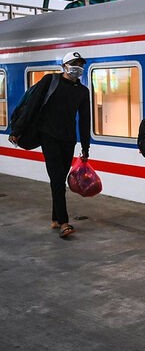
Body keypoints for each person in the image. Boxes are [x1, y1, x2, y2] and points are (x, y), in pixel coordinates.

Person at [9, 51, 91, 239]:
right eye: (74, 63)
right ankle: (63, 222)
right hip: (48, 136)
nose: (78, 67)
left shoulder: (82, 91)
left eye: (80, 64)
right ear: (64, 66)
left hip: (68, 139)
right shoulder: (50, 81)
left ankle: (55, 218)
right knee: (56, 178)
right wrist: (16, 130)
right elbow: (32, 106)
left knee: (60, 178)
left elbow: (85, 120)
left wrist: (85, 147)